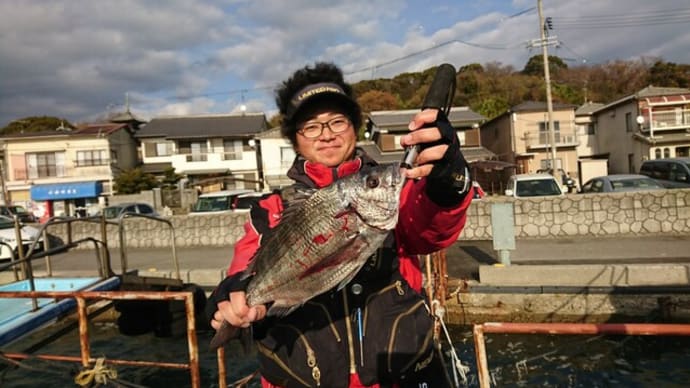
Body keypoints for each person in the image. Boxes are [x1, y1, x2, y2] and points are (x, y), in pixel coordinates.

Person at [208, 62, 474, 387]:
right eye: (311, 126)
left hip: (400, 377)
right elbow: (242, 273)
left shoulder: (396, 193)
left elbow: (433, 229)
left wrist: (448, 182)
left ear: (354, 128)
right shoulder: (270, 210)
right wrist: (229, 295)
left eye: (337, 121)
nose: (327, 134)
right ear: (296, 139)